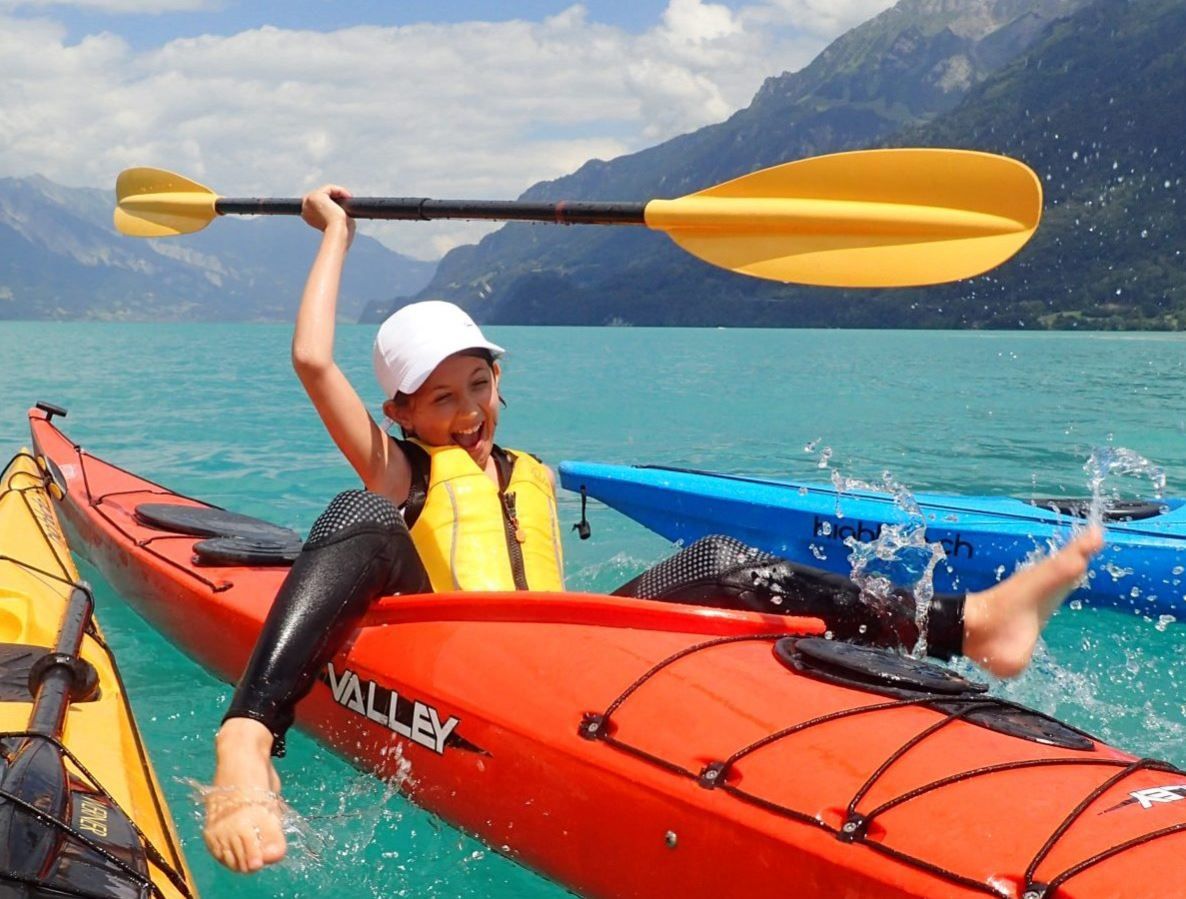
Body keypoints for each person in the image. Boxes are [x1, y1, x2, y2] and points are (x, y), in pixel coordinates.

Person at [201, 184, 1104, 873]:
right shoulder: (398, 470)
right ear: (401, 410)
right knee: (357, 514)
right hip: (451, 655)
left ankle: (962, 624)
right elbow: (313, 358)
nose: (470, 410)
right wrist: (337, 237)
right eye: (441, 398)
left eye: (479, 384)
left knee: (717, 560)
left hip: (555, 652)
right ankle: (247, 737)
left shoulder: (528, 473)